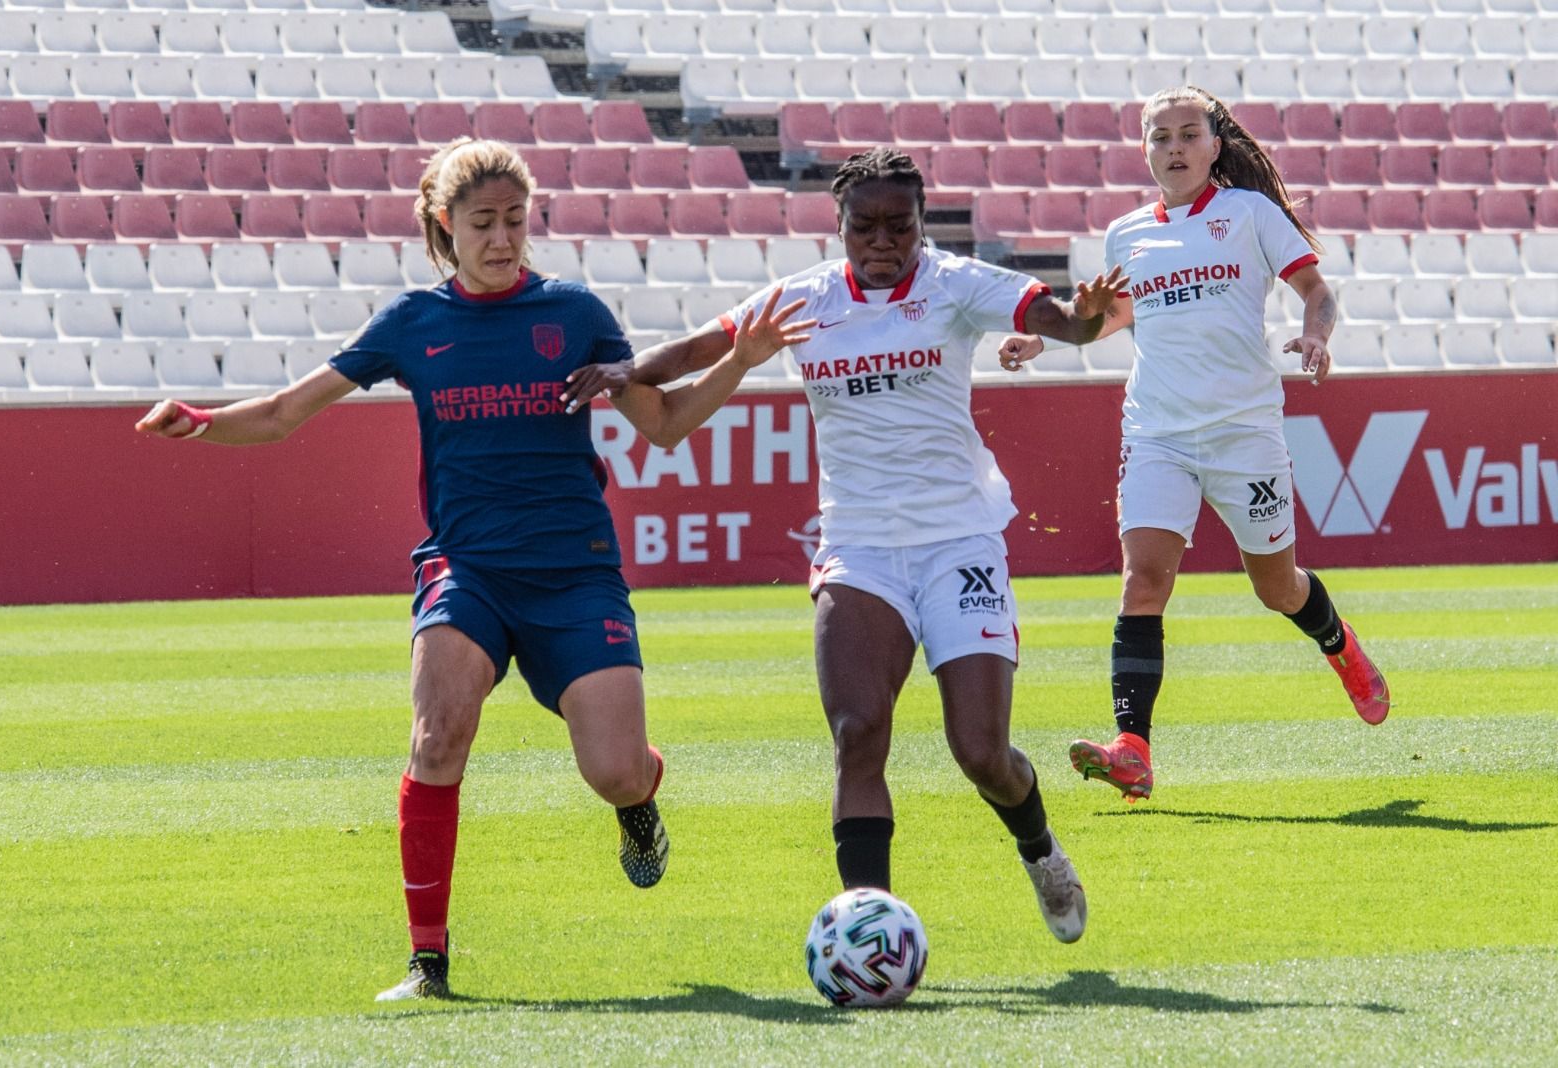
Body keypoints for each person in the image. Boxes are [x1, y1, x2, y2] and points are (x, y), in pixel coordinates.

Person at [135, 137, 811, 1000]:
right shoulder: (412, 324)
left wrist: (740, 362)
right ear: (444, 226)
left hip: (575, 573)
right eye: (483, 222)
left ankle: (640, 795)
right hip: (468, 570)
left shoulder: (575, 314)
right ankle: (428, 961)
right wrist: (199, 421)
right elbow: (280, 414)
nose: (502, 238)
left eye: (515, 221)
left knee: (613, 771)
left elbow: (666, 424)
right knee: (436, 739)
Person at [572, 147, 1126, 945]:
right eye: (864, 226)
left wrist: (1087, 319)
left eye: (899, 225)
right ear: (839, 226)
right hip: (859, 547)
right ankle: (871, 936)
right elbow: (697, 350)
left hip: (958, 541)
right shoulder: (806, 298)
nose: (882, 241)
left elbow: (1064, 322)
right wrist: (624, 370)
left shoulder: (956, 284)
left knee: (980, 752)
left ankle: (1040, 849)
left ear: (921, 224)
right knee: (858, 734)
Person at [998, 86, 1391, 805]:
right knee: (1143, 583)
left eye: (1188, 135)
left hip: (1245, 434)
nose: (1174, 148)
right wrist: (1045, 337)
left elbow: (1318, 292)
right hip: (1158, 433)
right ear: (1144, 151)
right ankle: (1133, 749)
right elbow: (1110, 318)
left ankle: (1340, 645)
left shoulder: (1250, 214)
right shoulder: (1126, 234)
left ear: (1215, 146)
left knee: (1277, 589)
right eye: (1160, 137)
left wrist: (1315, 335)